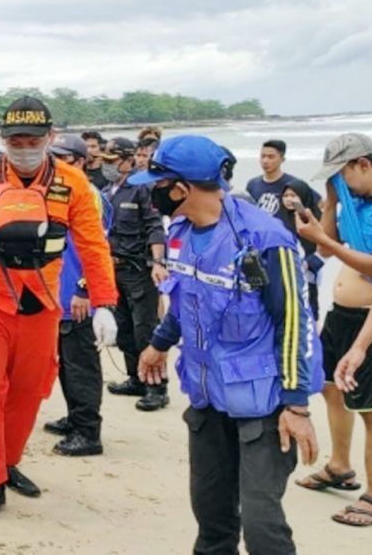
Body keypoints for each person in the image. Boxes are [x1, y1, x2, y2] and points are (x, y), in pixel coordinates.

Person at [0, 96, 118, 516]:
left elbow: (92, 244)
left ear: (50, 137)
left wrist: (104, 302)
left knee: (30, 390)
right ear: (3, 139)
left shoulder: (72, 184)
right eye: (16, 140)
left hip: (44, 303)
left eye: (34, 139)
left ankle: (8, 462)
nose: (25, 147)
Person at [134, 135, 321, 554]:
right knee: (212, 519)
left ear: (183, 187)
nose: (153, 193)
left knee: (261, 526)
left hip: (265, 404)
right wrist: (159, 343)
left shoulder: (265, 238)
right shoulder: (180, 231)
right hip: (207, 397)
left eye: (159, 184)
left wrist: (296, 407)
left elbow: (295, 321)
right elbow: (184, 300)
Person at [292, 132, 372, 527]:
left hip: (370, 320)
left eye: (341, 173)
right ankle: (340, 466)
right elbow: (326, 250)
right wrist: (332, 199)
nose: (339, 182)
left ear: (363, 164)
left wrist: (323, 238)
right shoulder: (353, 201)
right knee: (330, 387)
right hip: (342, 314)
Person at [44, 135, 113, 456]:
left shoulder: (89, 195)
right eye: (53, 158)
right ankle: (75, 418)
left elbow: (99, 249)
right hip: (58, 294)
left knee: (82, 364)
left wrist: (86, 288)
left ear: (81, 162)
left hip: (79, 295)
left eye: (65, 159)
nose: (57, 165)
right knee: (66, 363)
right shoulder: (56, 192)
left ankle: (88, 432)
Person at [100, 137, 170, 411]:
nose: (109, 166)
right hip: (114, 270)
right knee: (125, 330)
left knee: (146, 330)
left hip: (139, 270)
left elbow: (155, 227)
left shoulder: (142, 189)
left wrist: (158, 262)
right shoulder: (108, 191)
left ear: (129, 159)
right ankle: (136, 377)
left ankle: (157, 388)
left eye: (113, 160)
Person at [276, 179, 324, 320]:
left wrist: (309, 263)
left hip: (308, 270)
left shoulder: (315, 219)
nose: (289, 199)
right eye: (285, 196)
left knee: (309, 309)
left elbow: (325, 247)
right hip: (284, 271)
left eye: (293, 195)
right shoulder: (278, 219)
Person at [246, 139, 321, 216]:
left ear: (282, 159)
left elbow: (320, 203)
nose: (265, 161)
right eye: (263, 156)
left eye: (271, 157)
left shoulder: (293, 183)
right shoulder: (253, 184)